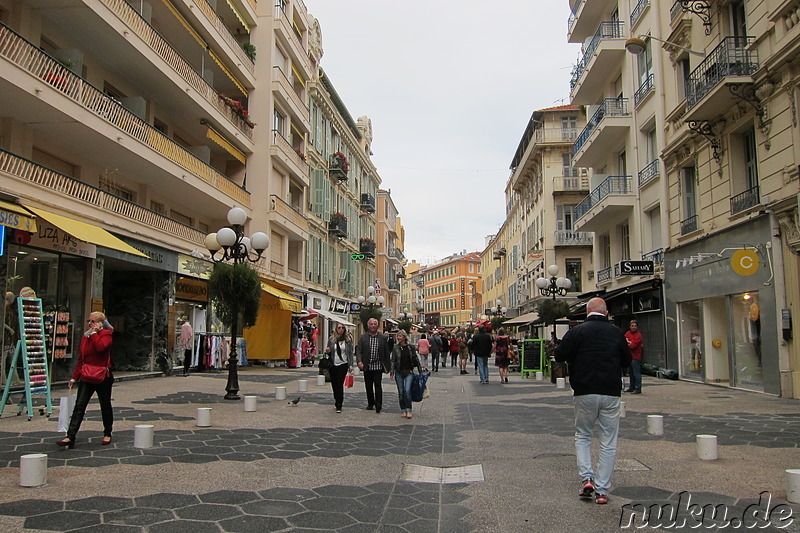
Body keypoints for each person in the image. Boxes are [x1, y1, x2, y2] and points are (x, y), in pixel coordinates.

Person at [554, 298, 631, 505]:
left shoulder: (577, 332)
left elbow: (559, 355)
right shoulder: (616, 332)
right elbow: (627, 361)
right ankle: (602, 490)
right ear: (606, 313)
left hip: (584, 390)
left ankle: (587, 478)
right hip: (610, 391)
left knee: (583, 435)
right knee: (608, 441)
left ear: (587, 311)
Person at [57, 311, 115, 448]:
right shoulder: (86, 337)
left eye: (93, 321)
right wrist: (74, 377)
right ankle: (70, 436)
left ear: (101, 323)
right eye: (89, 321)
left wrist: (94, 334)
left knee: (105, 405)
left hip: (102, 377)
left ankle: (107, 432)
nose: (90, 324)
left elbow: (100, 348)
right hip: (86, 376)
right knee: (79, 405)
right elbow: (82, 359)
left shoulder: (107, 335)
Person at [356, 318, 391, 413]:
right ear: (368, 326)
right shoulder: (363, 337)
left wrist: (388, 366)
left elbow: (386, 352)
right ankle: (370, 403)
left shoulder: (382, 338)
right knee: (368, 385)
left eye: (375, 324)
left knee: (378, 385)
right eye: (371, 324)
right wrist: (359, 361)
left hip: (378, 365)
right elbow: (359, 350)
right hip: (367, 365)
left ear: (377, 326)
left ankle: (378, 404)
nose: (373, 326)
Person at [390, 330, 422, 419]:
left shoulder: (410, 347)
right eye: (397, 336)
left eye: (400, 336)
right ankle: (403, 409)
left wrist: (420, 372)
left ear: (404, 337)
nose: (398, 338)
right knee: (401, 392)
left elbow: (416, 359)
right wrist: (391, 373)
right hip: (399, 372)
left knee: (407, 391)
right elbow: (393, 361)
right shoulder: (395, 347)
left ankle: (409, 409)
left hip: (409, 372)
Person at [324, 323, 354, 413]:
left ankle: (339, 403)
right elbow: (328, 351)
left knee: (339, 383)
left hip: (343, 364)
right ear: (336, 329)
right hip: (333, 364)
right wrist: (328, 351)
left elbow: (350, 354)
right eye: (339, 328)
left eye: (342, 328)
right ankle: (336, 399)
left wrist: (351, 365)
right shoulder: (332, 339)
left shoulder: (348, 340)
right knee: (334, 384)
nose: (341, 329)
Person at [624, 320, 643, 394]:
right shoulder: (627, 333)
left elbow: (633, 346)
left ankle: (638, 388)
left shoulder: (638, 335)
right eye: (632, 326)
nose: (634, 327)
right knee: (631, 373)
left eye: (635, 326)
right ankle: (632, 387)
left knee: (636, 373)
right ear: (629, 327)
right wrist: (629, 343)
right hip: (629, 356)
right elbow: (623, 341)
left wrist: (628, 343)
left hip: (636, 357)